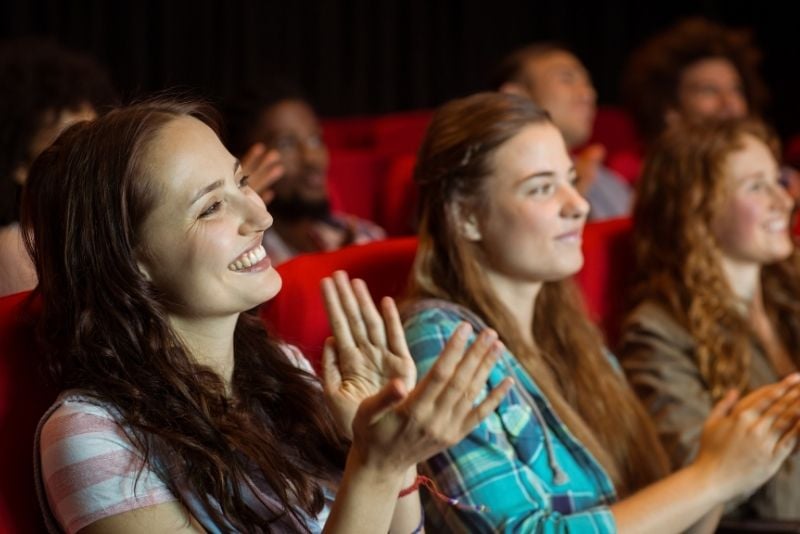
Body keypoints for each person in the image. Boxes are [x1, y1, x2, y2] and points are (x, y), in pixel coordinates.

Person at [24, 99, 512, 533]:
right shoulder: (90, 437)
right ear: (128, 259)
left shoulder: (282, 368)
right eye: (212, 206)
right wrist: (375, 466)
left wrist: (395, 447)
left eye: (243, 182)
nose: (261, 216)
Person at [401, 92, 800, 532]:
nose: (579, 203)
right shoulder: (440, 338)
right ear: (465, 216)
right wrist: (713, 477)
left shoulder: (572, 335)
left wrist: (721, 472)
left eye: (570, 179)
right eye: (541, 188)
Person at [619, 118, 800, 520]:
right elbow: (706, 492)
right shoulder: (657, 332)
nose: (785, 201)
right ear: (697, 207)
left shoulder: (787, 286)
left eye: (778, 179)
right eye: (756, 186)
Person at [0, 38, 115, 297]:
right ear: (20, 165)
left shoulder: (95, 231)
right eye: (68, 142)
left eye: (95, 138)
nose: (90, 155)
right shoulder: (16, 246)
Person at [225, 82, 385, 265]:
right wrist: (238, 205)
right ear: (242, 161)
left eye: (315, 140)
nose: (312, 159)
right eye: (286, 144)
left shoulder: (363, 237)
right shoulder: (238, 256)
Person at [492, 43, 632, 220]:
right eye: (567, 79)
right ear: (516, 96)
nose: (588, 94)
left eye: (588, 83)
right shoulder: (493, 180)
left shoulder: (605, 181)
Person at [623, 17, 766, 148]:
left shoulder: (770, 169)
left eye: (737, 89)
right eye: (709, 90)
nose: (729, 102)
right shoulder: (645, 174)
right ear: (670, 109)